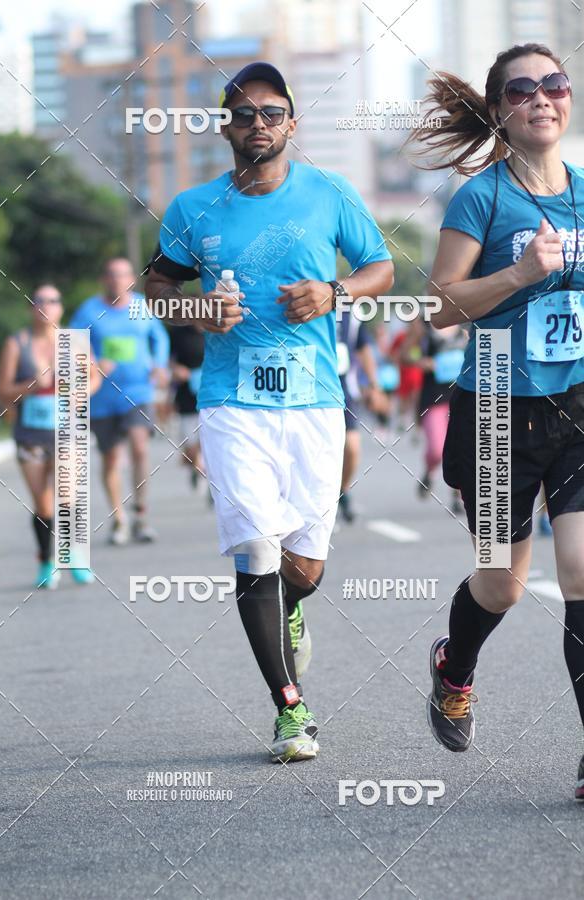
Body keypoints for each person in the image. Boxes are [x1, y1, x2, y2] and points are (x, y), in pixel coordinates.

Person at [145, 62, 394, 761]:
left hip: (313, 400)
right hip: (232, 403)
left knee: (304, 569)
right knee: (257, 548)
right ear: (225, 126)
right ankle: (291, 710)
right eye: (245, 113)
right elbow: (156, 286)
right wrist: (196, 310)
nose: (259, 123)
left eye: (272, 112)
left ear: (292, 122)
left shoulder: (329, 193)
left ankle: (290, 612)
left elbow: (380, 268)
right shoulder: (193, 207)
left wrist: (335, 293)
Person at [411, 44, 584, 799]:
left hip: (577, 404)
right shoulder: (480, 198)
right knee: (503, 586)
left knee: (582, 572)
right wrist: (519, 273)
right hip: (495, 412)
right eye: (523, 89)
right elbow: (440, 307)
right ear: (499, 110)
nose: (542, 97)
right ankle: (455, 667)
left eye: (555, 83)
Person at [0, 285, 100, 588]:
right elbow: (2, 391)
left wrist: (82, 392)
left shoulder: (75, 341)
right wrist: (32, 385)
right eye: (39, 301)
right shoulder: (17, 343)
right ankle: (46, 560)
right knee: (43, 504)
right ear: (31, 308)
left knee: (67, 496)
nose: (46, 306)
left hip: (68, 431)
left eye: (52, 300)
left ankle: (72, 554)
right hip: (31, 434)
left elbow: (94, 377)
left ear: (61, 307)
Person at [70, 259, 170, 545]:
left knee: (139, 446)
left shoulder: (142, 306)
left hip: (138, 391)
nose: (117, 280)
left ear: (131, 279)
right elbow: (72, 344)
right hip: (102, 397)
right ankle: (119, 518)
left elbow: (159, 339)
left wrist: (159, 365)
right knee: (111, 457)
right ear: (104, 279)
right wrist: (91, 364)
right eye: (112, 275)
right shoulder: (89, 311)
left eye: (123, 275)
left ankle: (141, 513)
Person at [401, 316, 466, 506]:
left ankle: (458, 495)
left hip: (461, 394)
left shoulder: (465, 318)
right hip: (434, 396)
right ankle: (430, 471)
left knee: (461, 448)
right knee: (437, 449)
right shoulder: (423, 323)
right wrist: (423, 362)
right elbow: (404, 354)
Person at [336, 307, 382, 523]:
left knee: (352, 446)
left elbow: (363, 348)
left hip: (344, 389)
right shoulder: (305, 298)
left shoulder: (353, 312)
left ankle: (342, 490)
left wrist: (373, 385)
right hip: (309, 386)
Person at [168, 322, 205, 485]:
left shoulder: (220, 329)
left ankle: (205, 473)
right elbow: (167, 359)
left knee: (208, 438)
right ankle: (195, 465)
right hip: (186, 395)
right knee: (191, 442)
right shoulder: (179, 332)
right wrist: (176, 369)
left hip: (212, 393)